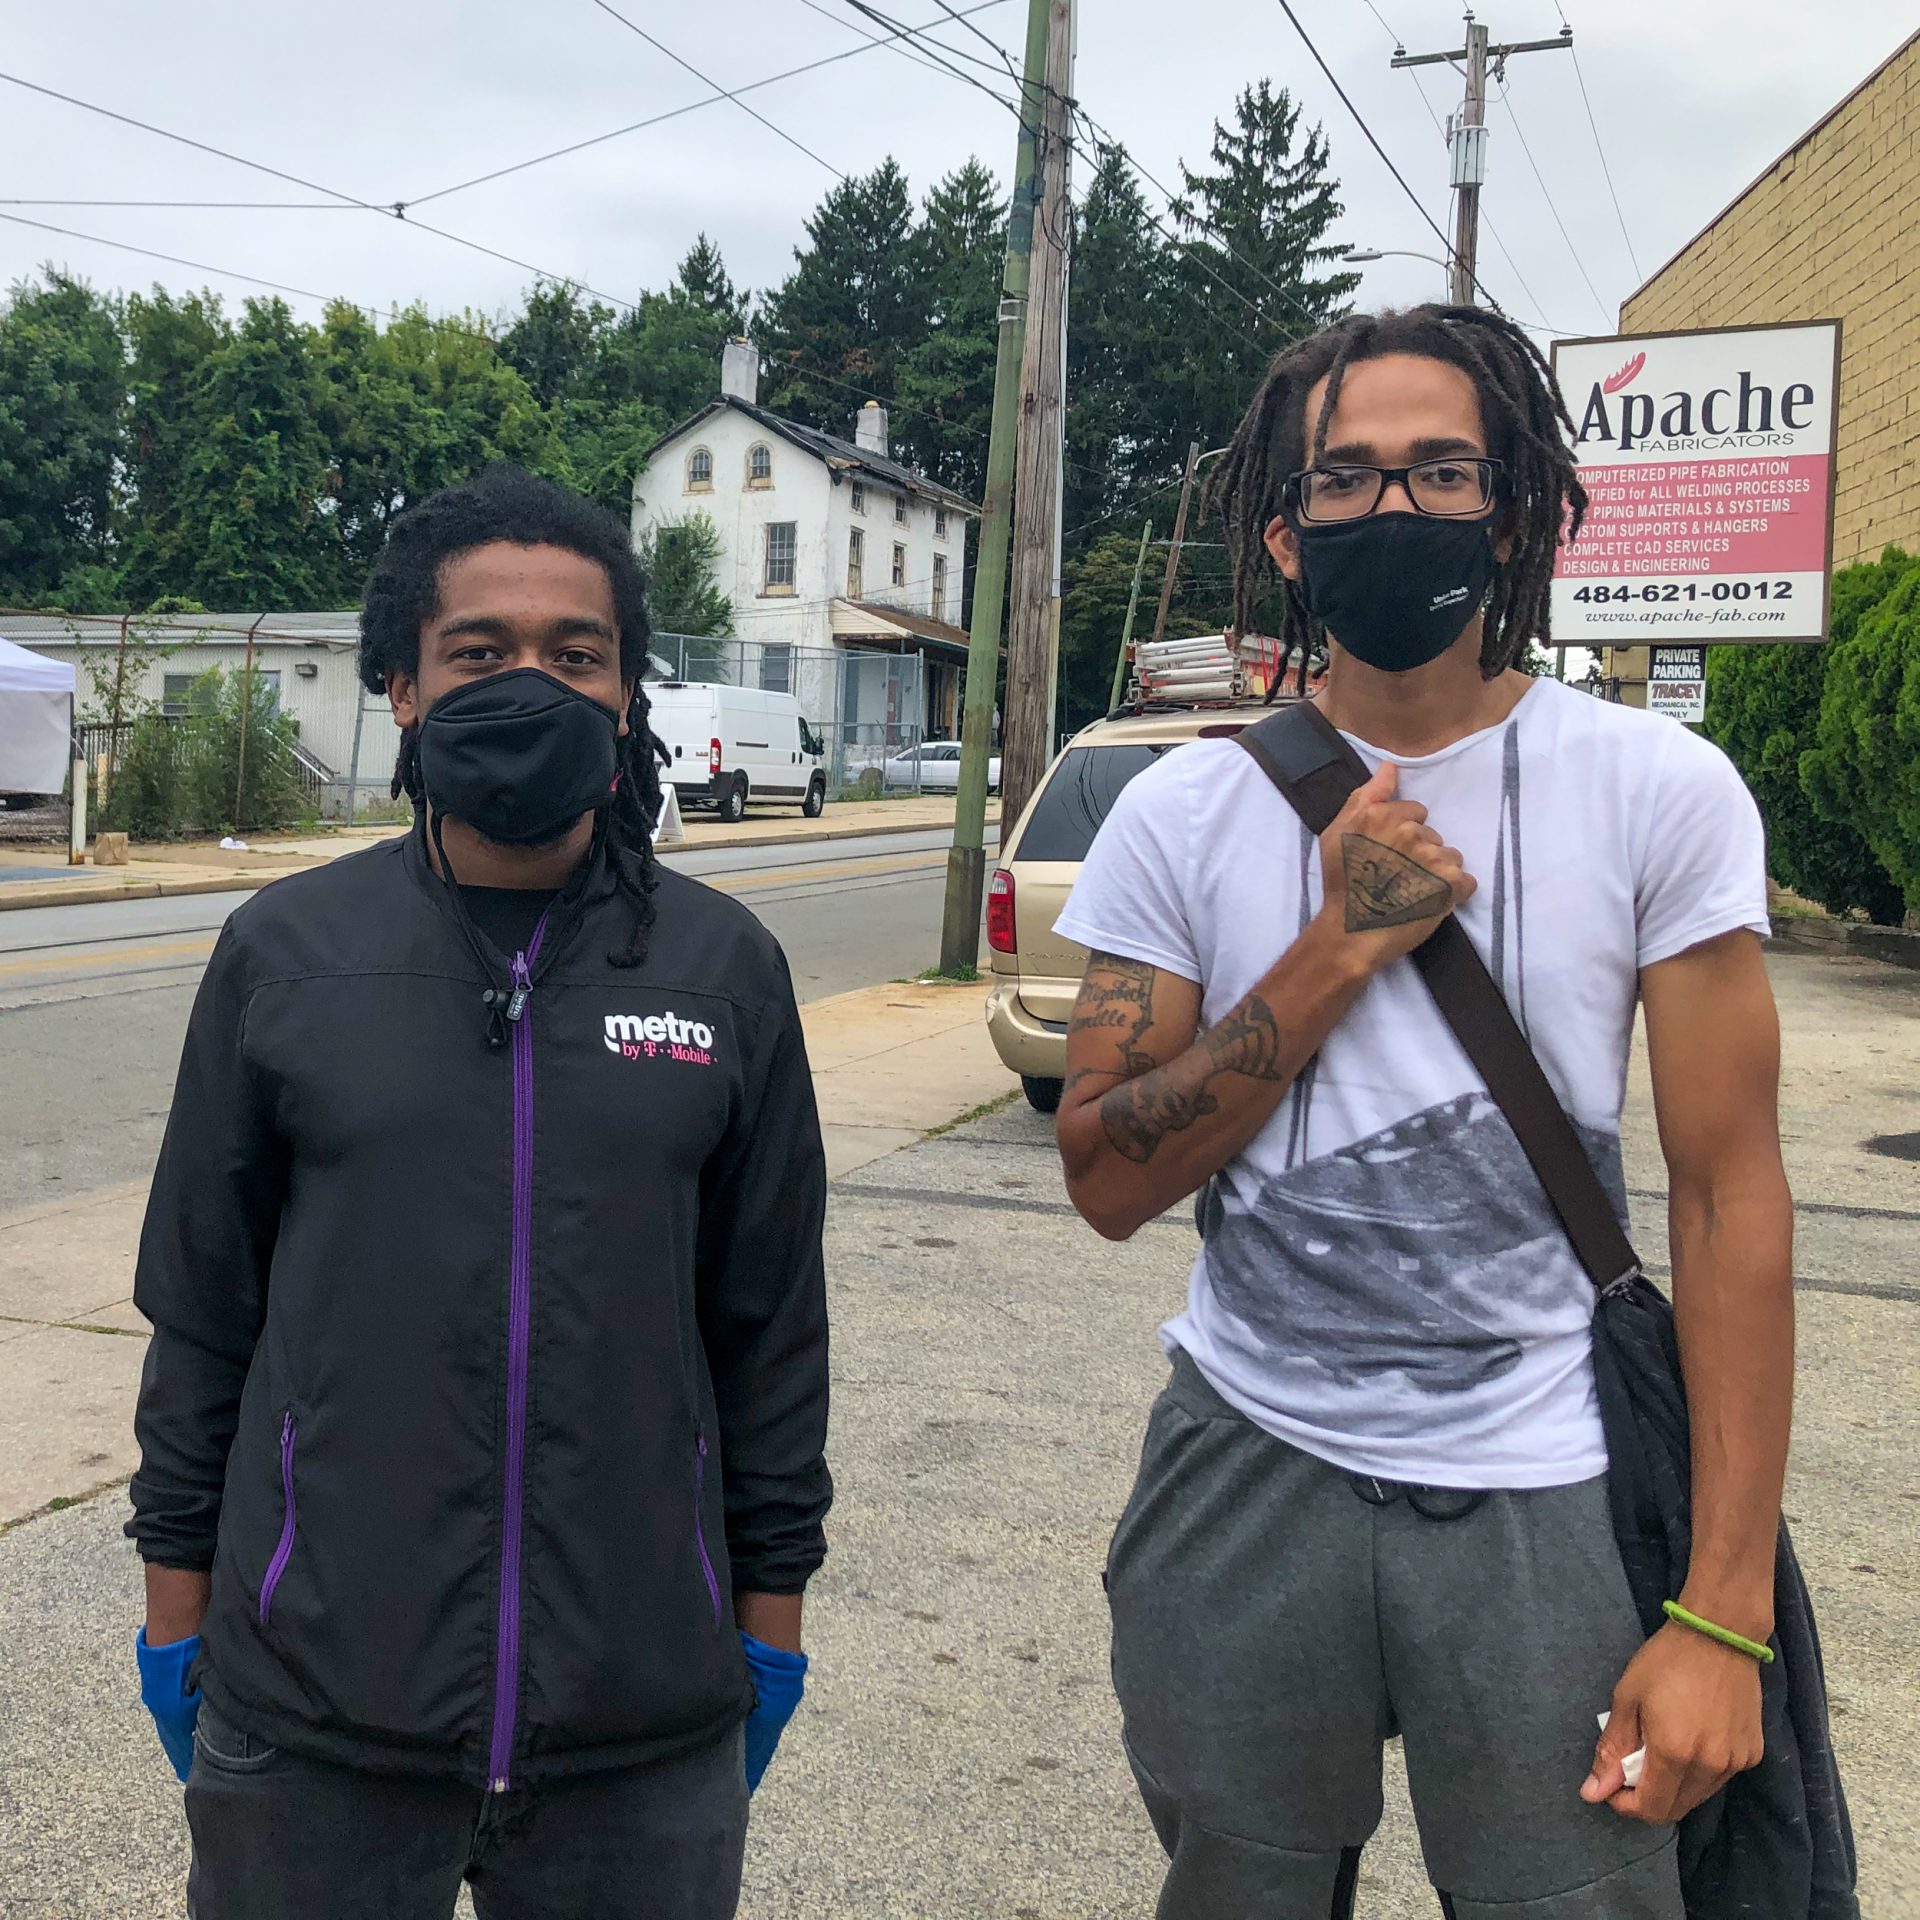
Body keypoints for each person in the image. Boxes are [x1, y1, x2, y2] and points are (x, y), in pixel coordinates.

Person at [1055, 305, 1791, 1918]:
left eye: (1440, 473)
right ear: (1286, 532)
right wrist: (1341, 947)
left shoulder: (1657, 788)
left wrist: (1724, 1612)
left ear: (1510, 514)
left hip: (1549, 1494)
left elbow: (1734, 1198)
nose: (1395, 513)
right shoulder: (1185, 810)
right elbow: (1105, 1176)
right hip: (1242, 1468)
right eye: (1349, 480)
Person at [128, 466, 831, 1920]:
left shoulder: (721, 972)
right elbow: (202, 1311)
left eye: (577, 655)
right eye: (479, 653)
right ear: (401, 687)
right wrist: (179, 1613)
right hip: (313, 1717)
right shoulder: (285, 955)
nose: (534, 682)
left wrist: (763, 1630)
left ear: (628, 693)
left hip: (640, 1735)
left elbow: (769, 1333)